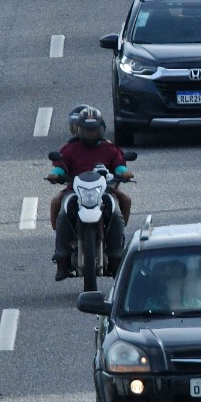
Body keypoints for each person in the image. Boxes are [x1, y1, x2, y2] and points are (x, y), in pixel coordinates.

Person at [48, 105, 131, 280]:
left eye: (94, 130)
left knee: (123, 202)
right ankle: (61, 258)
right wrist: (55, 175)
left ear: (102, 129)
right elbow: (60, 168)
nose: (90, 134)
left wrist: (123, 172)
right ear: (78, 130)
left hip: (104, 190)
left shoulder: (110, 148)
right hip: (75, 191)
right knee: (59, 206)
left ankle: (116, 253)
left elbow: (120, 164)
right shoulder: (70, 148)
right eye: (86, 131)